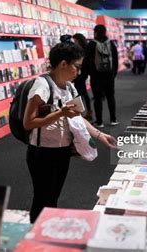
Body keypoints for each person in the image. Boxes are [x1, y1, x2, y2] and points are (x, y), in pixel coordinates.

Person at [23, 42, 116, 222]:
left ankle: (46, 234)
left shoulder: (69, 87)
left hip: (62, 150)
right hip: (42, 153)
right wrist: (60, 113)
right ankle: (36, 236)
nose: (79, 72)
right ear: (63, 64)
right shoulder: (41, 86)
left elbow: (78, 117)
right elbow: (29, 122)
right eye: (77, 67)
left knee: (53, 197)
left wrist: (100, 135)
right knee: (43, 198)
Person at [83, 24, 119, 128]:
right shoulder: (111, 44)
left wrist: (88, 73)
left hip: (96, 76)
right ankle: (113, 119)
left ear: (96, 32)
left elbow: (85, 60)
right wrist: (113, 74)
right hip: (109, 76)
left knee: (97, 98)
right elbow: (115, 60)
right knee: (110, 97)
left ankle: (99, 121)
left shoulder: (92, 44)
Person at [71, 33, 93, 120]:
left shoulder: (80, 50)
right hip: (83, 73)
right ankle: (87, 111)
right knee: (82, 92)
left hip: (80, 73)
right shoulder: (86, 49)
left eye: (75, 41)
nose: (74, 42)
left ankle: (80, 112)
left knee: (79, 93)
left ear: (78, 40)